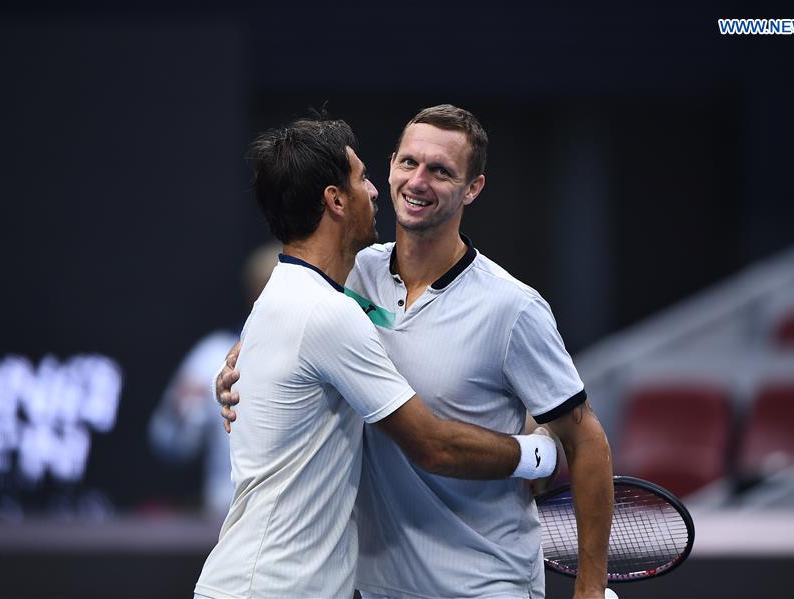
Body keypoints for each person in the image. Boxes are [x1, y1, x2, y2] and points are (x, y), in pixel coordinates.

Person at [218, 105, 614, 599]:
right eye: (408, 163)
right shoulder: (349, 279)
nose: (417, 181)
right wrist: (237, 368)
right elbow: (295, 335)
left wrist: (590, 589)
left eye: (441, 170)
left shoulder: (513, 308)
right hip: (375, 587)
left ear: (473, 188)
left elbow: (585, 440)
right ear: (388, 167)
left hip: (484, 585)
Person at [148, 242, 279, 516]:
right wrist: (181, 412)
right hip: (228, 516)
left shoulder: (324, 346)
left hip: (303, 517)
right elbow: (169, 443)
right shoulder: (212, 356)